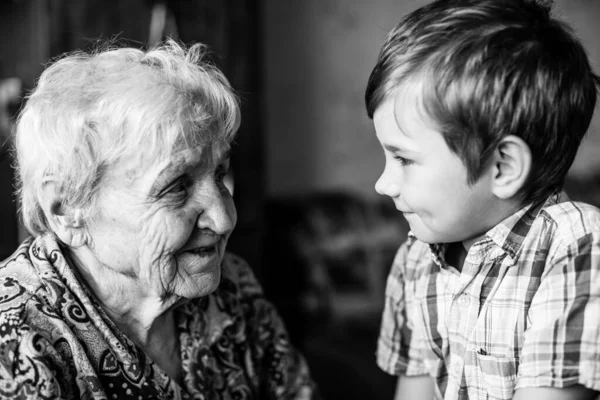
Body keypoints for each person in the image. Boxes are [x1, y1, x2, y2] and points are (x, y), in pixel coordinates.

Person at [0, 40, 317, 399]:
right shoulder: (14, 345)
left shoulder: (231, 286)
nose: (224, 218)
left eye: (220, 174)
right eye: (176, 187)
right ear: (67, 209)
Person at [365, 0, 600, 399]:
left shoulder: (576, 246)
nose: (382, 184)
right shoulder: (417, 257)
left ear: (503, 167)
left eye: (403, 159)